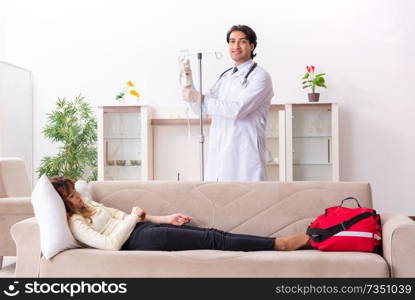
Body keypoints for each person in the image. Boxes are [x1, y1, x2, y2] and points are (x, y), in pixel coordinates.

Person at [51, 176, 310, 252]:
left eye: (77, 191)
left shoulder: (90, 207)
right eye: (73, 195)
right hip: (137, 242)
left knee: (213, 234)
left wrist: (165, 218)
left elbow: (125, 218)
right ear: (64, 204)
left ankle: (283, 243)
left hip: (143, 230)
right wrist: (132, 217)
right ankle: (281, 244)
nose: (80, 196)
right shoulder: (75, 224)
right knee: (212, 240)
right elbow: (110, 244)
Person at [181, 24, 274, 181]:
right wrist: (189, 84)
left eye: (242, 41)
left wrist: (201, 97)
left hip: (245, 157)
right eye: (232, 41)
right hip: (220, 155)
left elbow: (237, 110)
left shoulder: (260, 77)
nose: (236, 46)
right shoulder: (225, 77)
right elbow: (202, 110)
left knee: (248, 203)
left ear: (252, 46)